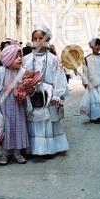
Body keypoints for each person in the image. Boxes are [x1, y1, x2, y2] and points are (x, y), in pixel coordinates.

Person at [23, 24, 69, 156]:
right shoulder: (26, 59)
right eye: (35, 38)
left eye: (40, 38)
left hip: (48, 95)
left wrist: (57, 95)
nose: (37, 41)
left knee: (48, 120)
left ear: (47, 40)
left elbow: (59, 78)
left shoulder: (53, 59)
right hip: (32, 94)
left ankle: (48, 148)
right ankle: (34, 148)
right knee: (33, 119)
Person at [0, 44, 30, 165]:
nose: (20, 59)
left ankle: (17, 153)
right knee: (5, 128)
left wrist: (25, 90)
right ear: (8, 58)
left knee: (18, 126)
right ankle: (5, 154)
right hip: (4, 105)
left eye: (20, 56)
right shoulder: (0, 71)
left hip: (18, 104)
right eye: (16, 57)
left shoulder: (22, 72)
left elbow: (27, 86)